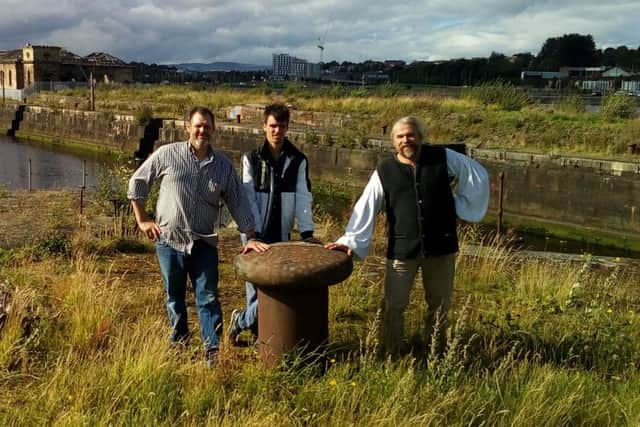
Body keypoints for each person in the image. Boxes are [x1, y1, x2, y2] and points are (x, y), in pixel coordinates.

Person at [325, 116, 489, 355]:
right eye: (400, 136)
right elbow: (367, 205)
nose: (406, 140)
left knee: (439, 306)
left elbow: (476, 173)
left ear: (420, 137)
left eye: (411, 135)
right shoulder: (385, 169)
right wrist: (349, 240)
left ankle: (436, 352)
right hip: (402, 250)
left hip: (441, 248)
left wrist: (462, 206)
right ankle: (392, 352)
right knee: (393, 304)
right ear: (394, 141)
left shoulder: (442, 157)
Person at [127, 106, 266, 366]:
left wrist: (251, 234)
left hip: (204, 242)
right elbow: (138, 182)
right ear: (188, 127)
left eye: (207, 126)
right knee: (174, 295)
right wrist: (142, 220)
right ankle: (178, 341)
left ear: (214, 129)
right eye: (198, 125)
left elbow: (237, 201)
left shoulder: (223, 166)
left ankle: (213, 352)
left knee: (209, 297)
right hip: (169, 240)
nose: (202, 130)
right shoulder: (167, 155)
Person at [228, 103, 316, 343]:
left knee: (277, 288)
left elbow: (302, 195)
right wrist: (253, 233)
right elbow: (248, 197)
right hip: (254, 232)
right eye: (273, 126)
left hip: (281, 232)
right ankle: (258, 333)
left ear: (288, 127)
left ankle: (242, 321)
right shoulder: (252, 159)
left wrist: (307, 231)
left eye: (282, 126)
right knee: (255, 288)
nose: (277, 130)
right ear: (264, 127)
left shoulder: (298, 160)